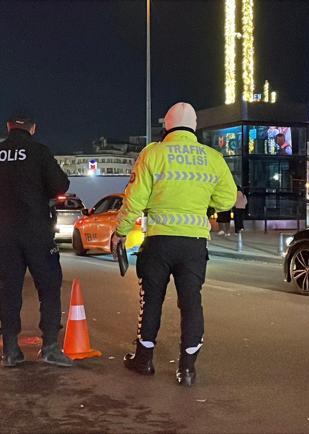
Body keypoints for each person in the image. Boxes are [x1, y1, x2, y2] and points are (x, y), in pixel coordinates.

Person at [112, 102, 236, 386]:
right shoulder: (212, 157)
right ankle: (188, 368)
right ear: (194, 127)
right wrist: (206, 203)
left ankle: (144, 361)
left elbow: (134, 200)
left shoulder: (152, 154)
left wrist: (121, 231)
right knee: (191, 302)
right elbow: (227, 199)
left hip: (158, 242)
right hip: (193, 245)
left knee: (151, 299)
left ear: (166, 126)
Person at [0, 114, 73, 368]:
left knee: (10, 290)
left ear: (8, 128)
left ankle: (10, 350)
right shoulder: (39, 152)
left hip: (7, 233)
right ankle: (50, 347)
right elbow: (60, 185)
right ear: (33, 128)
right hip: (37, 232)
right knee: (49, 287)